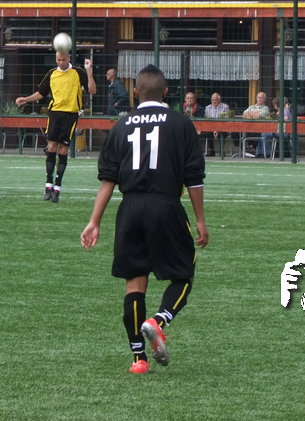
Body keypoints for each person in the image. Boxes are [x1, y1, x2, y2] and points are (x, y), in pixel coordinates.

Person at [80, 64, 208, 375]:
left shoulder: (121, 126)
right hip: (166, 206)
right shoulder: (182, 124)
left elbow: (108, 180)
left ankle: (139, 359)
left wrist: (94, 221)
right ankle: (159, 321)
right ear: (166, 92)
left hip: (130, 209)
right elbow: (194, 179)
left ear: (135, 92)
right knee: (184, 275)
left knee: (134, 284)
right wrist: (200, 220)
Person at [14, 33, 96, 203]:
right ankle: (48, 185)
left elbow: (93, 90)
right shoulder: (52, 74)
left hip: (71, 115)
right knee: (51, 147)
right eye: (58, 60)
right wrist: (25, 99)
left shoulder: (78, 72)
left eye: (63, 60)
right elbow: (41, 93)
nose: (60, 63)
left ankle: (57, 187)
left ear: (69, 58)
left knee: (64, 150)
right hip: (55, 114)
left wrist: (88, 71)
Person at [241, 91, 271, 156]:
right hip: (248, 127)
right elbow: (244, 115)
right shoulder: (251, 107)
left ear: (265, 100)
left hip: (259, 128)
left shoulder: (266, 108)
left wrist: (250, 113)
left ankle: (251, 148)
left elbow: (259, 116)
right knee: (236, 133)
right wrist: (255, 113)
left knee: (257, 133)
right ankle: (246, 149)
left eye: (261, 98)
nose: (259, 99)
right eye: (258, 97)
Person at [203, 92, 232, 157]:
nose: (214, 101)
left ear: (219, 100)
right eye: (212, 100)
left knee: (222, 132)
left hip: (222, 127)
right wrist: (214, 129)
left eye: (216, 100)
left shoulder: (225, 107)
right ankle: (212, 151)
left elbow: (226, 119)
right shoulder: (208, 107)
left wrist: (217, 129)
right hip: (211, 127)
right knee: (208, 133)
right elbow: (208, 120)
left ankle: (222, 151)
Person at [183, 91, 210, 155]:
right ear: (185, 99)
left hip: (196, 128)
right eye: (188, 98)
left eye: (191, 98)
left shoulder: (199, 108)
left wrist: (199, 128)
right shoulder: (181, 107)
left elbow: (202, 120)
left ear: (194, 99)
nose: (189, 100)